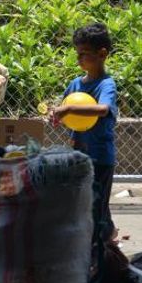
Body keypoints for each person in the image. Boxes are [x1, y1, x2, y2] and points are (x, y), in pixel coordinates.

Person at [51, 23, 119, 242]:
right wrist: (58, 115)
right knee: (85, 201)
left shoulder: (106, 85)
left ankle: (100, 246)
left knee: (97, 203)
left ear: (102, 54)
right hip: (80, 154)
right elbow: (68, 113)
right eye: (77, 54)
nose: (79, 59)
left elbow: (102, 109)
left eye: (84, 54)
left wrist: (68, 109)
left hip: (100, 157)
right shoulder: (75, 84)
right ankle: (106, 236)